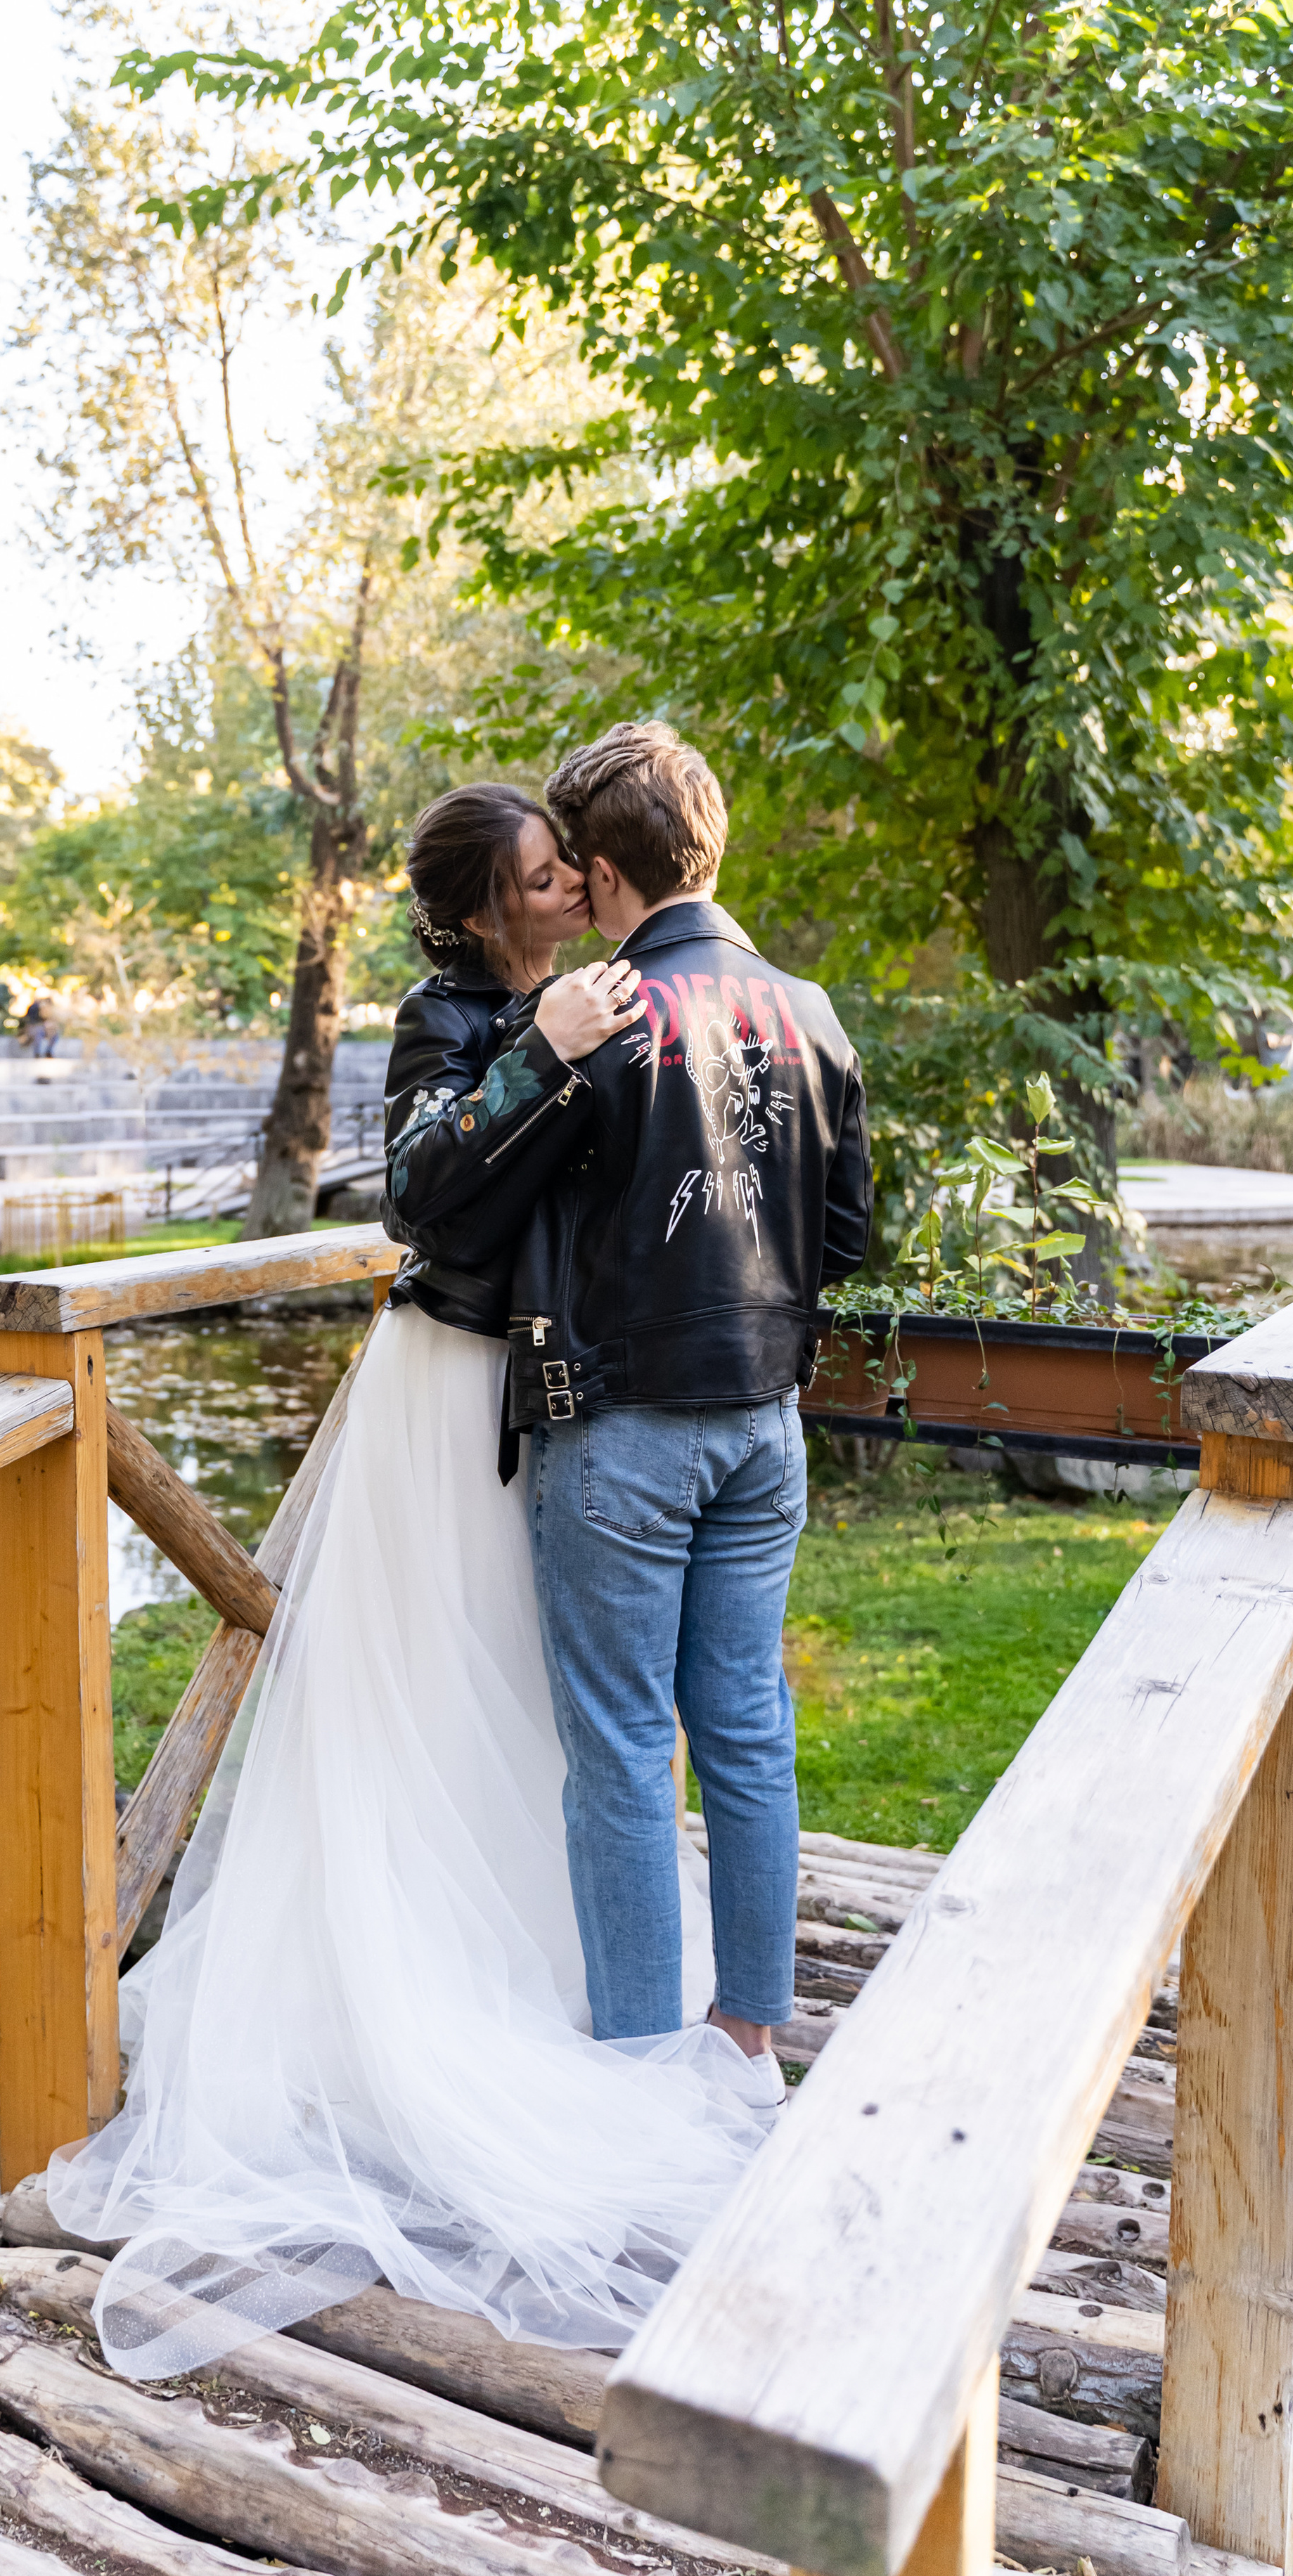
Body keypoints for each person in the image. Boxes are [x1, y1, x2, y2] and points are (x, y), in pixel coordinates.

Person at [48, 782, 780, 2382]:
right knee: (429, 1685)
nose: (564, 894)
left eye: (566, 874)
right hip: (446, 1396)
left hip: (565, 1394)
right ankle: (414, 1997)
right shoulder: (448, 1017)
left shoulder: (618, 997)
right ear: (470, 911)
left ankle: (575, 1978)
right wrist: (546, 1050)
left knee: (546, 1696)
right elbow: (421, 1196)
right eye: (532, 880)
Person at [505, 720, 873, 2062]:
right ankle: (746, 2046)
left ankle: (647, 2077)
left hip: (625, 1432)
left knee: (619, 1753)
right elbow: (843, 1242)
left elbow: (476, 1211)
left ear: (603, 872)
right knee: (747, 1732)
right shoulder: (813, 1013)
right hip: (765, 1430)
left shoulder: (602, 1018)